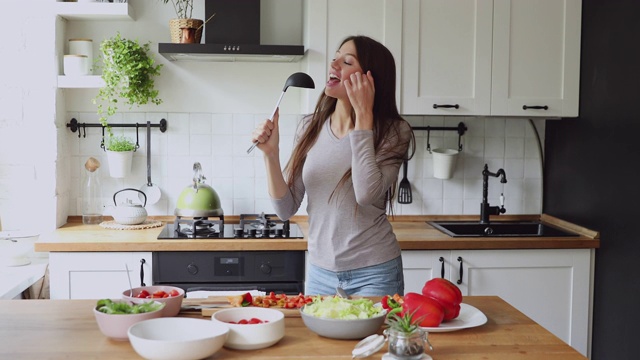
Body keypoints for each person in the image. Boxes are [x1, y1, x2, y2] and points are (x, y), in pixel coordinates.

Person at [251, 35, 415, 296]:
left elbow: (366, 193)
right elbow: (285, 209)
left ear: (370, 80)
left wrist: (364, 117)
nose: (334, 63)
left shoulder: (394, 132)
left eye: (347, 61)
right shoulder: (310, 126)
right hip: (320, 273)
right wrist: (271, 154)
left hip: (375, 272)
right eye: (335, 56)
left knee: (374, 339)